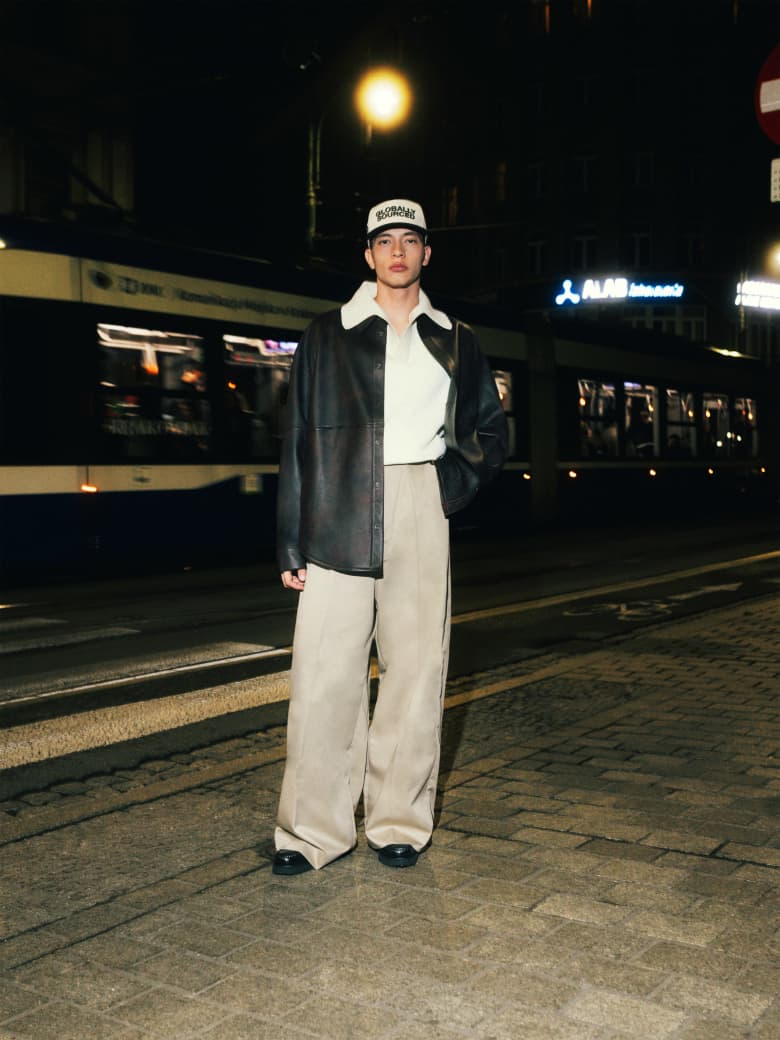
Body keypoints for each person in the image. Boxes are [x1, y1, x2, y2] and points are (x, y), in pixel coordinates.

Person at [272, 198, 509, 875]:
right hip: (336, 505)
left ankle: (398, 822)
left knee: (416, 672)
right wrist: (290, 539)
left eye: (410, 240)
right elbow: (295, 442)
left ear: (427, 253)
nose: (398, 251)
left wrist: (445, 488)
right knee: (323, 676)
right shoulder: (326, 335)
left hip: (419, 500)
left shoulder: (455, 337)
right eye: (385, 241)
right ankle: (311, 833)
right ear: (367, 254)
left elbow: (491, 433)